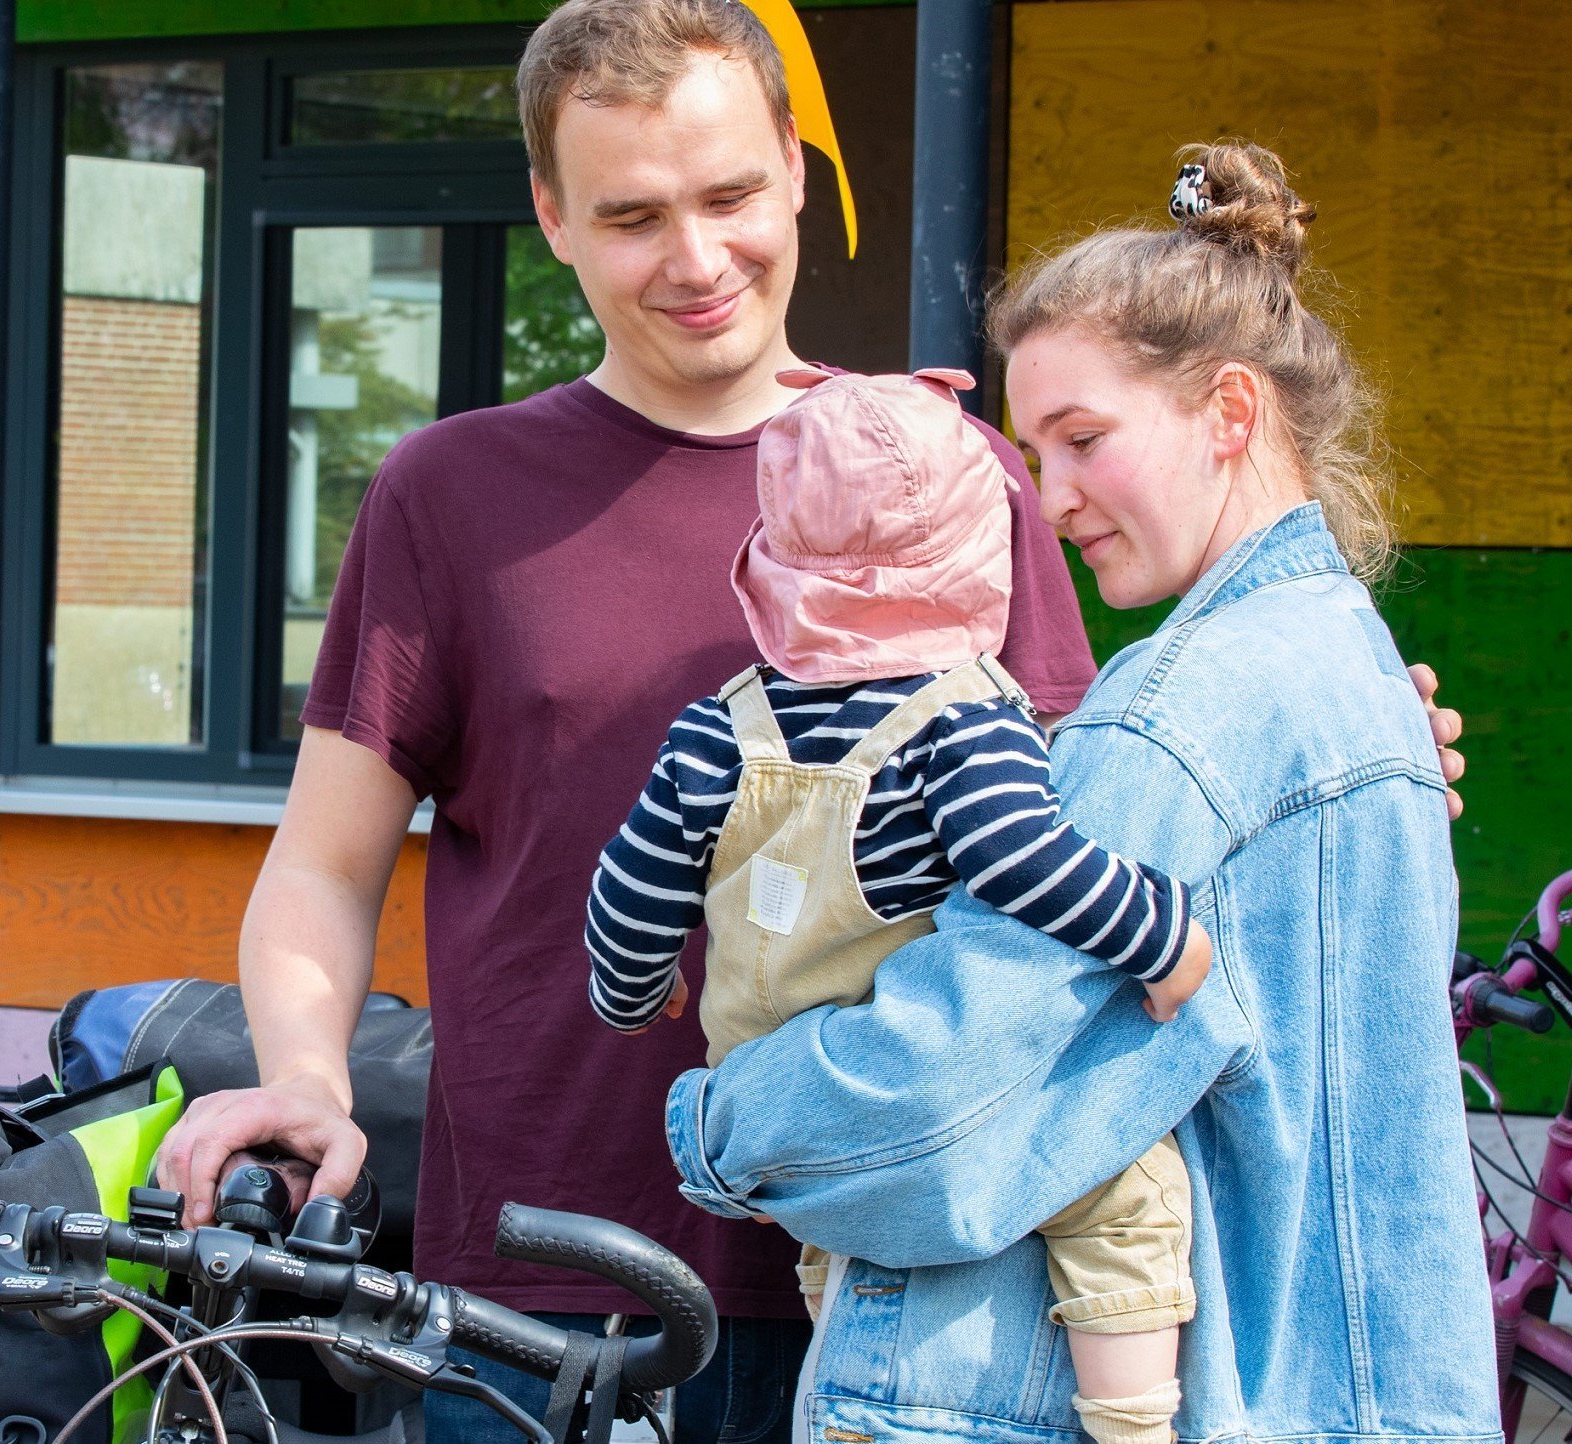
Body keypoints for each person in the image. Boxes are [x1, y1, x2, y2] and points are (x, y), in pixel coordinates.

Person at [148, 0, 1470, 1433]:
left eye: (728, 195)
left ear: (794, 166)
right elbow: (325, 868)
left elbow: (1061, 844)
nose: (698, 258)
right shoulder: (448, 495)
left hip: (897, 1284)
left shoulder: (956, 470)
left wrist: (1320, 759)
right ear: (553, 215)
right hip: (541, 1284)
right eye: (635, 214)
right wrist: (304, 1079)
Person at [665, 142, 1502, 1444]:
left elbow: (942, 1105)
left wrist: (721, 1120)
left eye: (1084, 440)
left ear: (1231, 413)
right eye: (1031, 456)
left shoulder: (1172, 718)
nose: (1050, 504)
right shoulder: (1356, 674)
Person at [588, 365, 1213, 1444]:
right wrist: (1159, 936)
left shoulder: (714, 728)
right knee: (1124, 1187)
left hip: (780, 1109)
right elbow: (1026, 859)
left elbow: (629, 889)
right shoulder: (961, 722)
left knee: (839, 1242)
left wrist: (636, 988)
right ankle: (1135, 1423)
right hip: (907, 1088)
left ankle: (851, 1395)